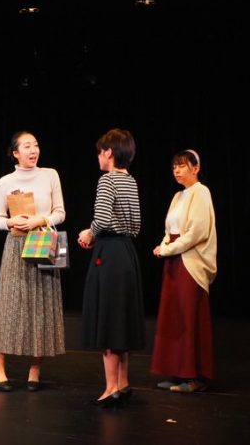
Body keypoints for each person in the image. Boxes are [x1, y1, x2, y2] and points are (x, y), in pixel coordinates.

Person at [0, 131, 66, 392]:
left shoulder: (50, 175)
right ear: (15, 153)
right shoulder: (5, 181)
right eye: (27, 146)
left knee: (42, 304)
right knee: (9, 304)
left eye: (35, 145)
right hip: (15, 244)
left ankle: (35, 369)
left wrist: (40, 219)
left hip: (44, 240)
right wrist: (11, 221)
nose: (33, 150)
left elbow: (60, 213)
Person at [78, 128, 145, 408]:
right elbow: (137, 225)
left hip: (110, 254)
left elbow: (103, 219)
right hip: (127, 252)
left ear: (108, 152)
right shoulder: (131, 181)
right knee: (122, 319)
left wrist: (89, 233)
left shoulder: (107, 180)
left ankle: (111, 388)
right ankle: (123, 383)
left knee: (108, 319)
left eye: (99, 152)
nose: (98, 156)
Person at [150, 149, 217, 393]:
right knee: (174, 317)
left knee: (189, 316)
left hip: (190, 262)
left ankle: (193, 377)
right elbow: (170, 229)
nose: (176, 170)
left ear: (195, 168)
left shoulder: (201, 192)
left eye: (182, 165)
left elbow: (196, 232)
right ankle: (178, 373)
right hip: (174, 260)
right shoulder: (178, 196)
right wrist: (163, 244)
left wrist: (168, 249)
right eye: (174, 167)